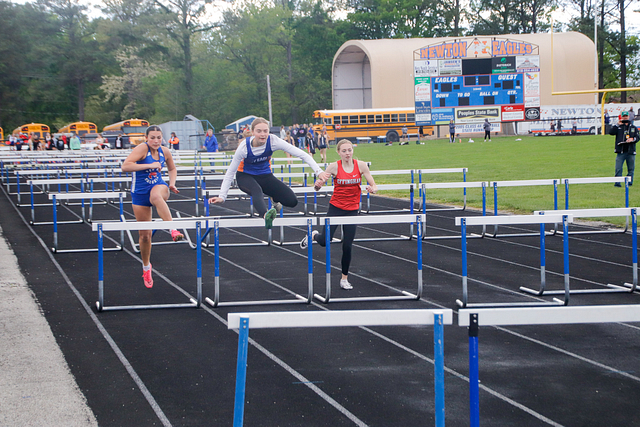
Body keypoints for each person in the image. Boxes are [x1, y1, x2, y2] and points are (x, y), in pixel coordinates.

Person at [208, 117, 328, 229]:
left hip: (265, 176)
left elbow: (302, 154)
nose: (263, 134)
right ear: (252, 132)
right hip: (245, 176)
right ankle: (266, 216)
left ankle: (274, 198)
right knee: (257, 190)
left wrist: (319, 172)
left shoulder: (273, 141)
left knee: (292, 201)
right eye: (259, 131)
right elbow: (230, 172)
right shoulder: (244, 147)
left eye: (265, 131)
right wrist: (222, 197)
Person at [300, 139, 378, 290]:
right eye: (344, 151)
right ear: (338, 152)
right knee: (325, 241)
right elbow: (318, 186)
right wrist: (317, 185)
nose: (347, 153)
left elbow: (374, 185)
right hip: (336, 208)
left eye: (350, 150)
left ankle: (344, 279)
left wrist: (372, 189)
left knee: (347, 245)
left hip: (352, 209)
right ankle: (313, 235)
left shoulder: (361, 165)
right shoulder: (334, 167)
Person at [121, 125, 184, 288]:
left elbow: (172, 168)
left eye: (159, 137)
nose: (156, 141)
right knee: (145, 236)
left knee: (156, 195)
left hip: (159, 187)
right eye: (153, 138)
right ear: (146, 138)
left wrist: (172, 183)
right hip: (140, 194)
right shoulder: (142, 149)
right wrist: (148, 165)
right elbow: (125, 166)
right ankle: (146, 267)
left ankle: (173, 229)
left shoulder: (165, 151)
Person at [610, 111, 639, 187]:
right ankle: (617, 182)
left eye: (626, 116)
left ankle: (629, 183)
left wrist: (632, 139)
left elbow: (638, 137)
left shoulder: (633, 127)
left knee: (631, 169)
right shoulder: (619, 127)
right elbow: (611, 132)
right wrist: (617, 124)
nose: (625, 117)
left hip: (630, 151)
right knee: (618, 168)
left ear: (629, 117)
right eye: (624, 116)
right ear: (621, 117)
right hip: (621, 151)